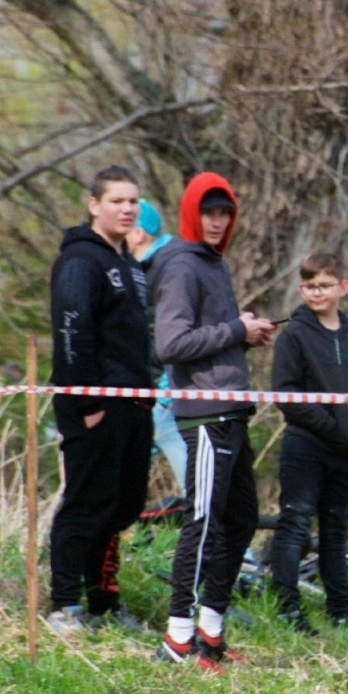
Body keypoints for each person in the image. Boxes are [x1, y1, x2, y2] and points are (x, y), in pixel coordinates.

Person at [150, 172, 275, 673]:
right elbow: (171, 345)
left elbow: (209, 335)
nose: (218, 222)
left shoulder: (213, 264)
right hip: (203, 413)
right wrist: (234, 329)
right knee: (201, 523)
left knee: (241, 519)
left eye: (225, 214)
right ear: (191, 214)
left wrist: (243, 335)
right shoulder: (182, 265)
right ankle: (177, 639)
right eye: (209, 213)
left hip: (232, 408)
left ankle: (211, 632)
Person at [45, 165, 155, 633]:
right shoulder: (80, 262)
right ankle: (64, 605)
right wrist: (88, 404)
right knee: (86, 503)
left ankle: (104, 602)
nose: (127, 209)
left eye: (133, 201)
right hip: (93, 405)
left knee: (123, 505)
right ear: (94, 205)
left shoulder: (130, 264)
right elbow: (73, 334)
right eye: (117, 201)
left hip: (134, 404)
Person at [269, 252, 348, 634]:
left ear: (342, 288)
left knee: (336, 531)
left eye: (325, 285)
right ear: (302, 289)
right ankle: (287, 608)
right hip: (305, 447)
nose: (317, 292)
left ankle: (341, 609)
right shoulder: (294, 336)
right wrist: (331, 428)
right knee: (295, 523)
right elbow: (286, 394)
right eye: (310, 286)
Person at [126, 199, 186, 500]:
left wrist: (163, 395)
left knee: (197, 489)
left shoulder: (162, 269)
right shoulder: (142, 269)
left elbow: (170, 336)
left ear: (138, 235)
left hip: (165, 398)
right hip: (150, 395)